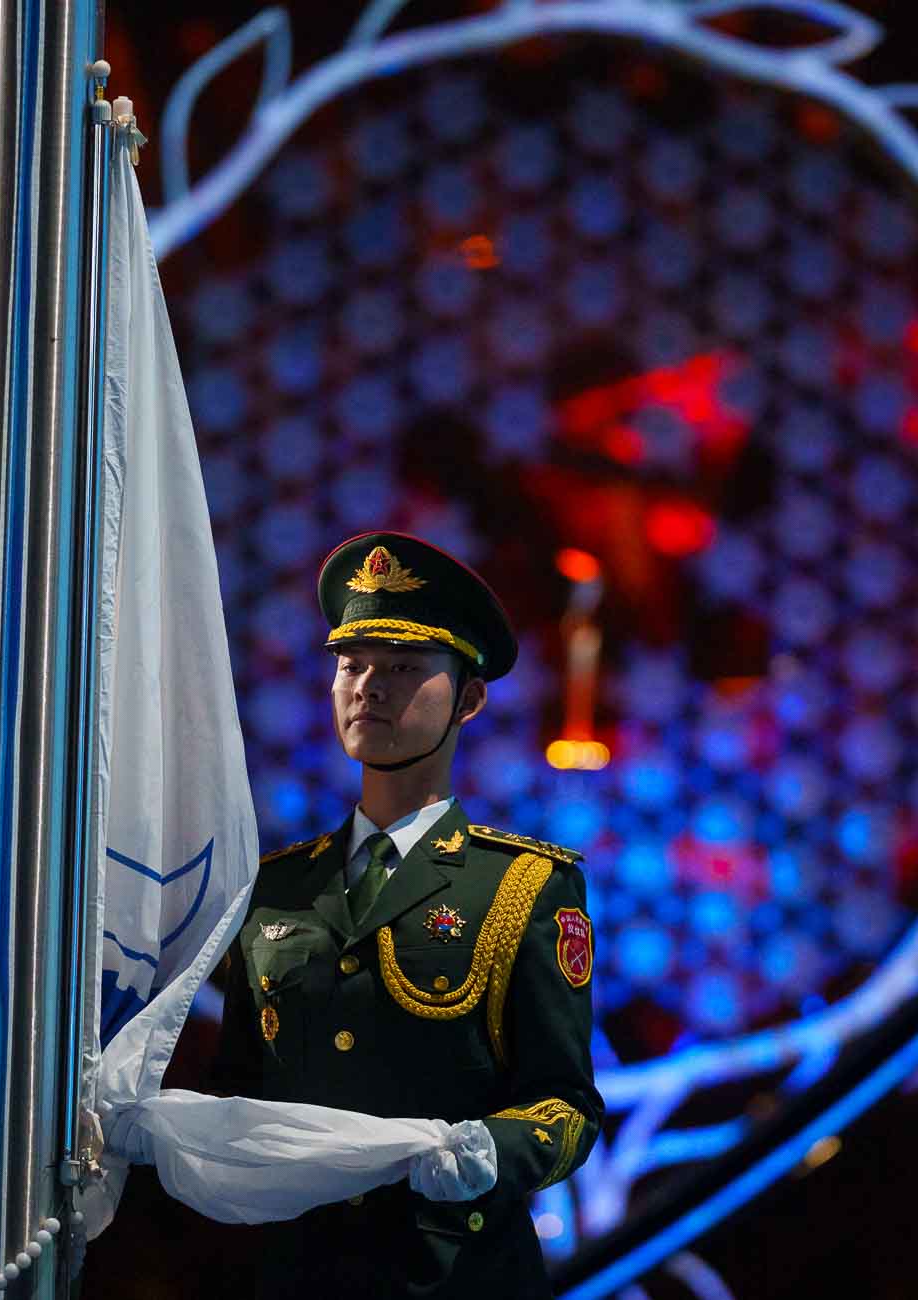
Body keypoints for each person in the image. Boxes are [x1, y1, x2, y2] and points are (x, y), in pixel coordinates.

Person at [210, 531, 602, 1299]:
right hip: (299, 1271)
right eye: (351, 666)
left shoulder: (522, 885)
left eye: (403, 669)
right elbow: (238, 1089)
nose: (368, 689)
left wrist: (491, 1149)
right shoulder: (275, 890)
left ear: (470, 697)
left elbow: (568, 1105)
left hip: (454, 1270)